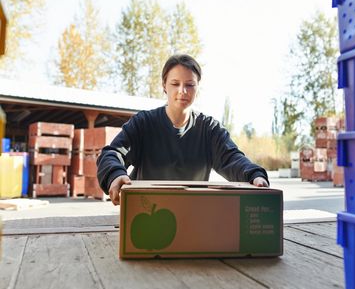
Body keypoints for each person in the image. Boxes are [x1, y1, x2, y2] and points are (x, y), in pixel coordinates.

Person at [97, 54, 269, 205]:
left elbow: (232, 158)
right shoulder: (143, 124)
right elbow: (111, 153)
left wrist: (254, 175)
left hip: (192, 214)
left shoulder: (209, 130)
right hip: (146, 212)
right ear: (164, 85)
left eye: (190, 85)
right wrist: (115, 174)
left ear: (197, 87)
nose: (182, 91)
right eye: (175, 83)